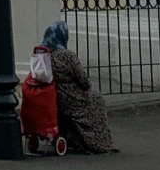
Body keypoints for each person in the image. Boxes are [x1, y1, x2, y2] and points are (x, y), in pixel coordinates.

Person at [42, 19, 116, 153]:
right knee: (96, 98)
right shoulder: (66, 55)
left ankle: (74, 137)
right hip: (71, 97)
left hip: (54, 95)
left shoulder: (43, 54)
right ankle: (98, 141)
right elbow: (84, 81)